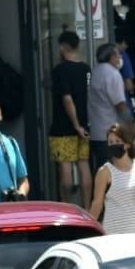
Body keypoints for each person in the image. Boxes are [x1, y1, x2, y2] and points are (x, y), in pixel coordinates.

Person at [48, 31, 93, 210]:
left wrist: (75, 125)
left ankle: (66, 208)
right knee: (83, 163)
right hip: (85, 124)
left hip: (63, 126)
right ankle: (88, 208)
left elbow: (67, 99)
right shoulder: (86, 69)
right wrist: (82, 125)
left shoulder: (60, 70)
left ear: (62, 47)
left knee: (65, 167)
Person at [89, 121, 135, 235]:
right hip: (114, 233)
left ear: (127, 144)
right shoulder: (104, 172)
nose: (114, 145)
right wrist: (88, 229)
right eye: (111, 142)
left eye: (118, 141)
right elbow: (97, 203)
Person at [87, 40, 130, 172]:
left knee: (101, 171)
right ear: (111, 57)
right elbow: (120, 104)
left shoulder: (95, 71)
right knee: (113, 171)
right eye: (118, 55)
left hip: (95, 131)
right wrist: (130, 125)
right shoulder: (112, 74)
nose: (119, 58)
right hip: (110, 133)